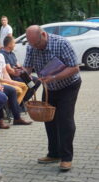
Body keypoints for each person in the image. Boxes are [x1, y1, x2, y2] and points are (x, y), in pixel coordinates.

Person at [24, 25, 82, 171]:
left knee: (65, 120)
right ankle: (54, 153)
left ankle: (66, 157)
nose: (34, 47)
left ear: (43, 35)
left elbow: (74, 68)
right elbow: (28, 68)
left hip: (69, 85)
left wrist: (54, 77)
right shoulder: (32, 47)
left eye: (36, 44)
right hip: (49, 88)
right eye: (31, 44)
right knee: (49, 119)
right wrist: (22, 72)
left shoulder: (62, 43)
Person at [0, 36, 41, 101]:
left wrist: (27, 74)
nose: (15, 45)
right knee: (29, 83)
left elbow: (19, 65)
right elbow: (10, 70)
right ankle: (20, 102)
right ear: (10, 44)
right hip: (12, 77)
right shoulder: (3, 54)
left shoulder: (12, 53)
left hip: (18, 75)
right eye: (14, 43)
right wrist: (23, 75)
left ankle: (24, 100)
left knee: (36, 81)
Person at [0, 38, 28, 104]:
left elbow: (5, 72)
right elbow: (8, 71)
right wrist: (12, 81)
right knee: (19, 89)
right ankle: (15, 106)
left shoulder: (3, 55)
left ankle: (18, 104)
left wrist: (26, 73)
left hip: (10, 77)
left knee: (29, 84)